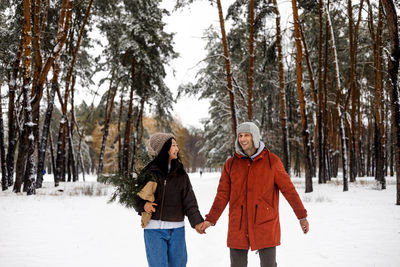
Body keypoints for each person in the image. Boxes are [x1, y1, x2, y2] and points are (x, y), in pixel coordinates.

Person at [201, 122, 309, 267]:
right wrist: (211, 219)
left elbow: (289, 190)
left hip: (265, 223)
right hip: (238, 224)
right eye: (240, 135)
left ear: (255, 137)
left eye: (247, 135)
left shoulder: (272, 161)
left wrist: (301, 216)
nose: (243, 139)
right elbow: (222, 195)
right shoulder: (231, 164)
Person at [136, 132, 204, 267]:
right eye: (173, 145)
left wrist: (197, 222)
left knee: (178, 264)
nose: (177, 148)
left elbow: (189, 200)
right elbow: (134, 197)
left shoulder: (180, 173)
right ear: (163, 148)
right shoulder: (148, 172)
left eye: (177, 145)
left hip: (176, 229)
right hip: (153, 229)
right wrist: (144, 205)